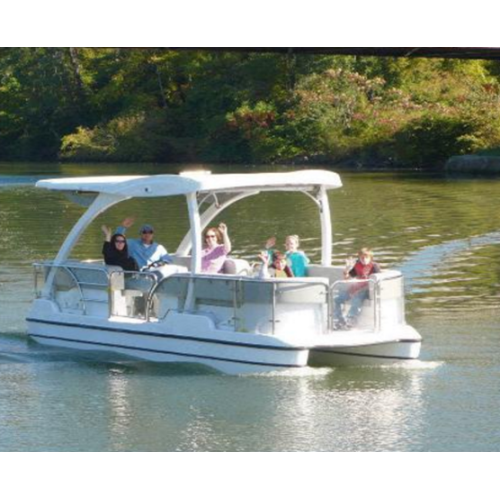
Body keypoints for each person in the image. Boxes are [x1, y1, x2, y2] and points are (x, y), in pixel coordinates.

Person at [334, 247, 381, 328]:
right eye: (362, 257)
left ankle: (351, 320)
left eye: (366, 257)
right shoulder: (357, 265)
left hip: (368, 290)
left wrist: (357, 291)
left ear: (370, 258)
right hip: (356, 288)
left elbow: (377, 281)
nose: (364, 259)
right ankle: (339, 319)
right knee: (337, 299)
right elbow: (347, 277)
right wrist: (347, 269)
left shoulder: (374, 266)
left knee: (357, 297)